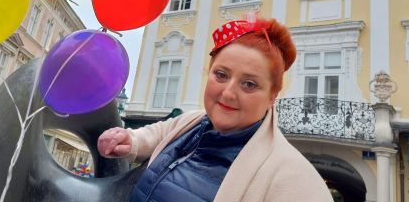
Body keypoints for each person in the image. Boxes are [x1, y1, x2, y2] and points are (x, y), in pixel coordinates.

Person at [97, 16, 333, 202]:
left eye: (249, 84)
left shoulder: (294, 178)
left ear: (272, 96)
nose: (228, 92)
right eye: (221, 75)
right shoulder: (191, 122)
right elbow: (157, 134)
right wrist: (130, 139)